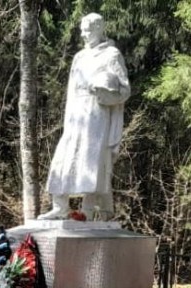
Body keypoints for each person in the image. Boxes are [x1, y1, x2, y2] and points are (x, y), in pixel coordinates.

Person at [38, 13, 129, 221]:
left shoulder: (112, 55)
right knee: (63, 159)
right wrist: (67, 117)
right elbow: (71, 90)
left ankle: (87, 211)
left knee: (92, 162)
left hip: (97, 113)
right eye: (82, 30)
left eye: (87, 30)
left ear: (99, 29)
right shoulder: (79, 57)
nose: (83, 34)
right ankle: (59, 206)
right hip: (76, 114)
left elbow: (125, 90)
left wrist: (105, 91)